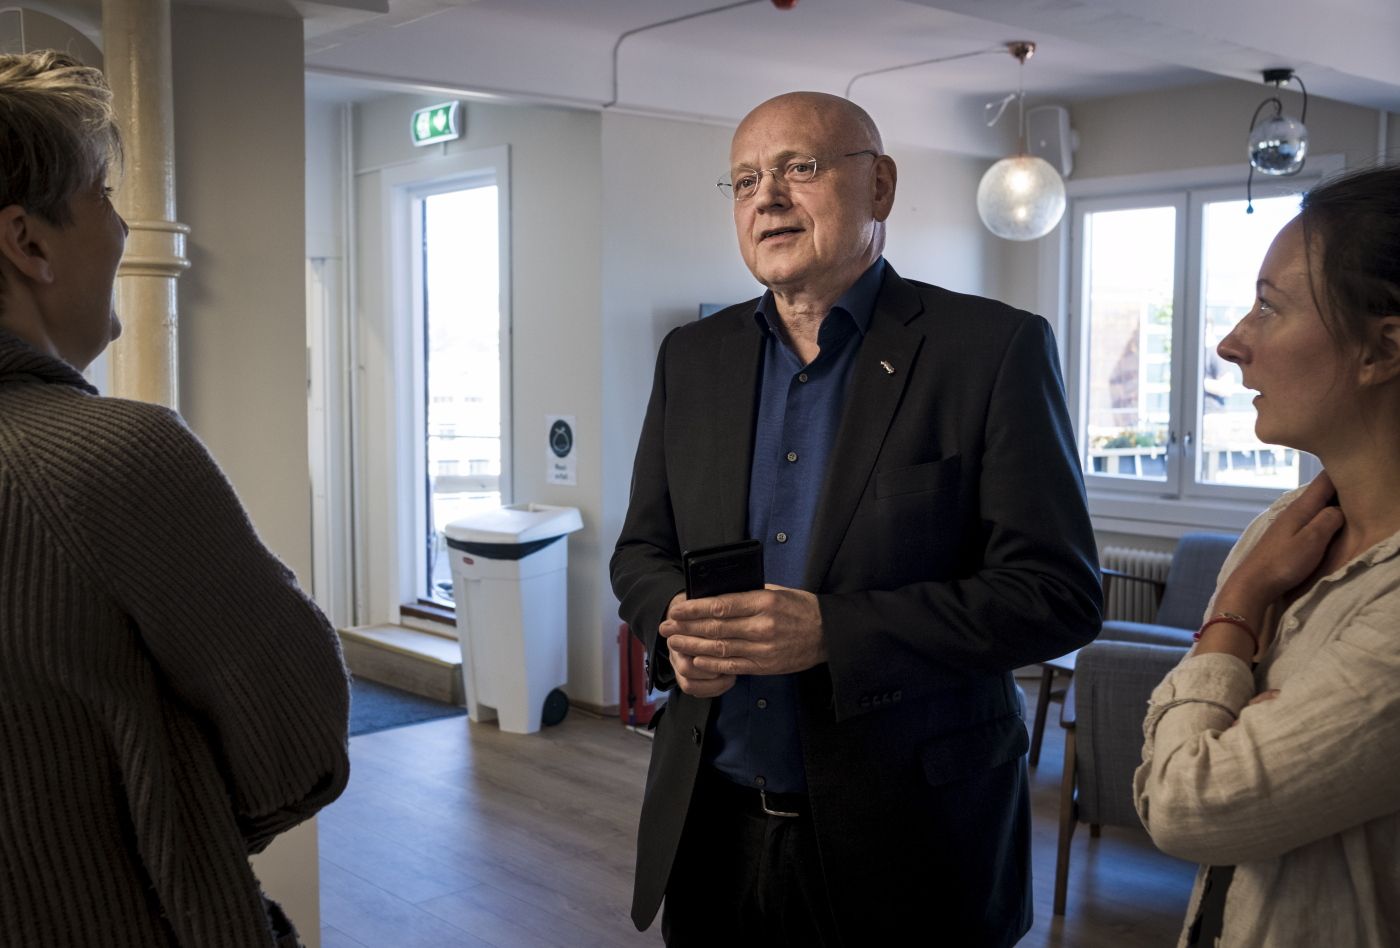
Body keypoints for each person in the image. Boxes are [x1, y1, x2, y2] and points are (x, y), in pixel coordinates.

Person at [611, 90, 1101, 946]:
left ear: (880, 186)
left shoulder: (991, 350)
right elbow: (642, 552)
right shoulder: (691, 357)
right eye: (745, 180)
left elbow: (1057, 595)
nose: (768, 197)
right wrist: (674, 625)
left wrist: (833, 633)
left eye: (799, 168)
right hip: (712, 827)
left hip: (911, 838)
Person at [0, 51, 350, 947]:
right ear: (28, 242)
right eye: (104, 196)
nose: (124, 229)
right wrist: (165, 811)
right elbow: (300, 745)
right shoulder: (115, 458)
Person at [1134, 165, 1400, 947]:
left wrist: (1233, 613)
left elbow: (1185, 802)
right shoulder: (1280, 530)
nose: (1231, 344)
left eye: (1269, 307)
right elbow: (1183, 779)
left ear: (1382, 348)